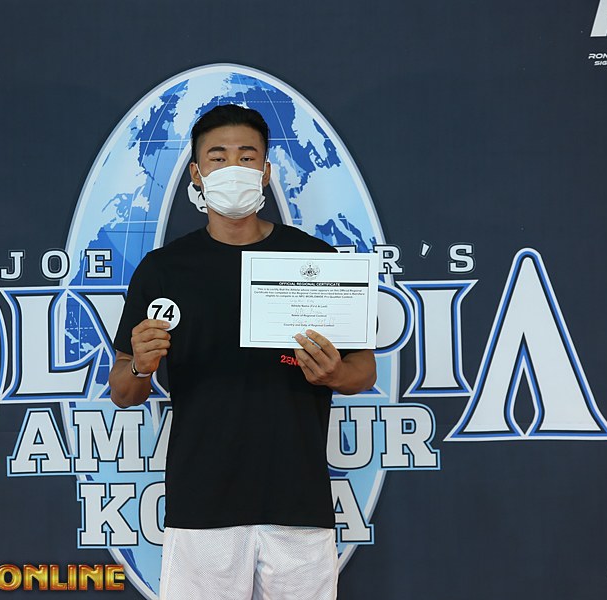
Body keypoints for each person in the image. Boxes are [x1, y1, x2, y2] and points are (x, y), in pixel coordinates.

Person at [109, 104, 376, 600]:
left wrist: (335, 374)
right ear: (196, 173)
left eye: (246, 156)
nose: (233, 167)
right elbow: (123, 390)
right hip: (201, 505)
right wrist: (141, 367)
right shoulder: (164, 270)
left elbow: (364, 369)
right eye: (218, 157)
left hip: (297, 503)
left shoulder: (314, 260)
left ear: (266, 171)